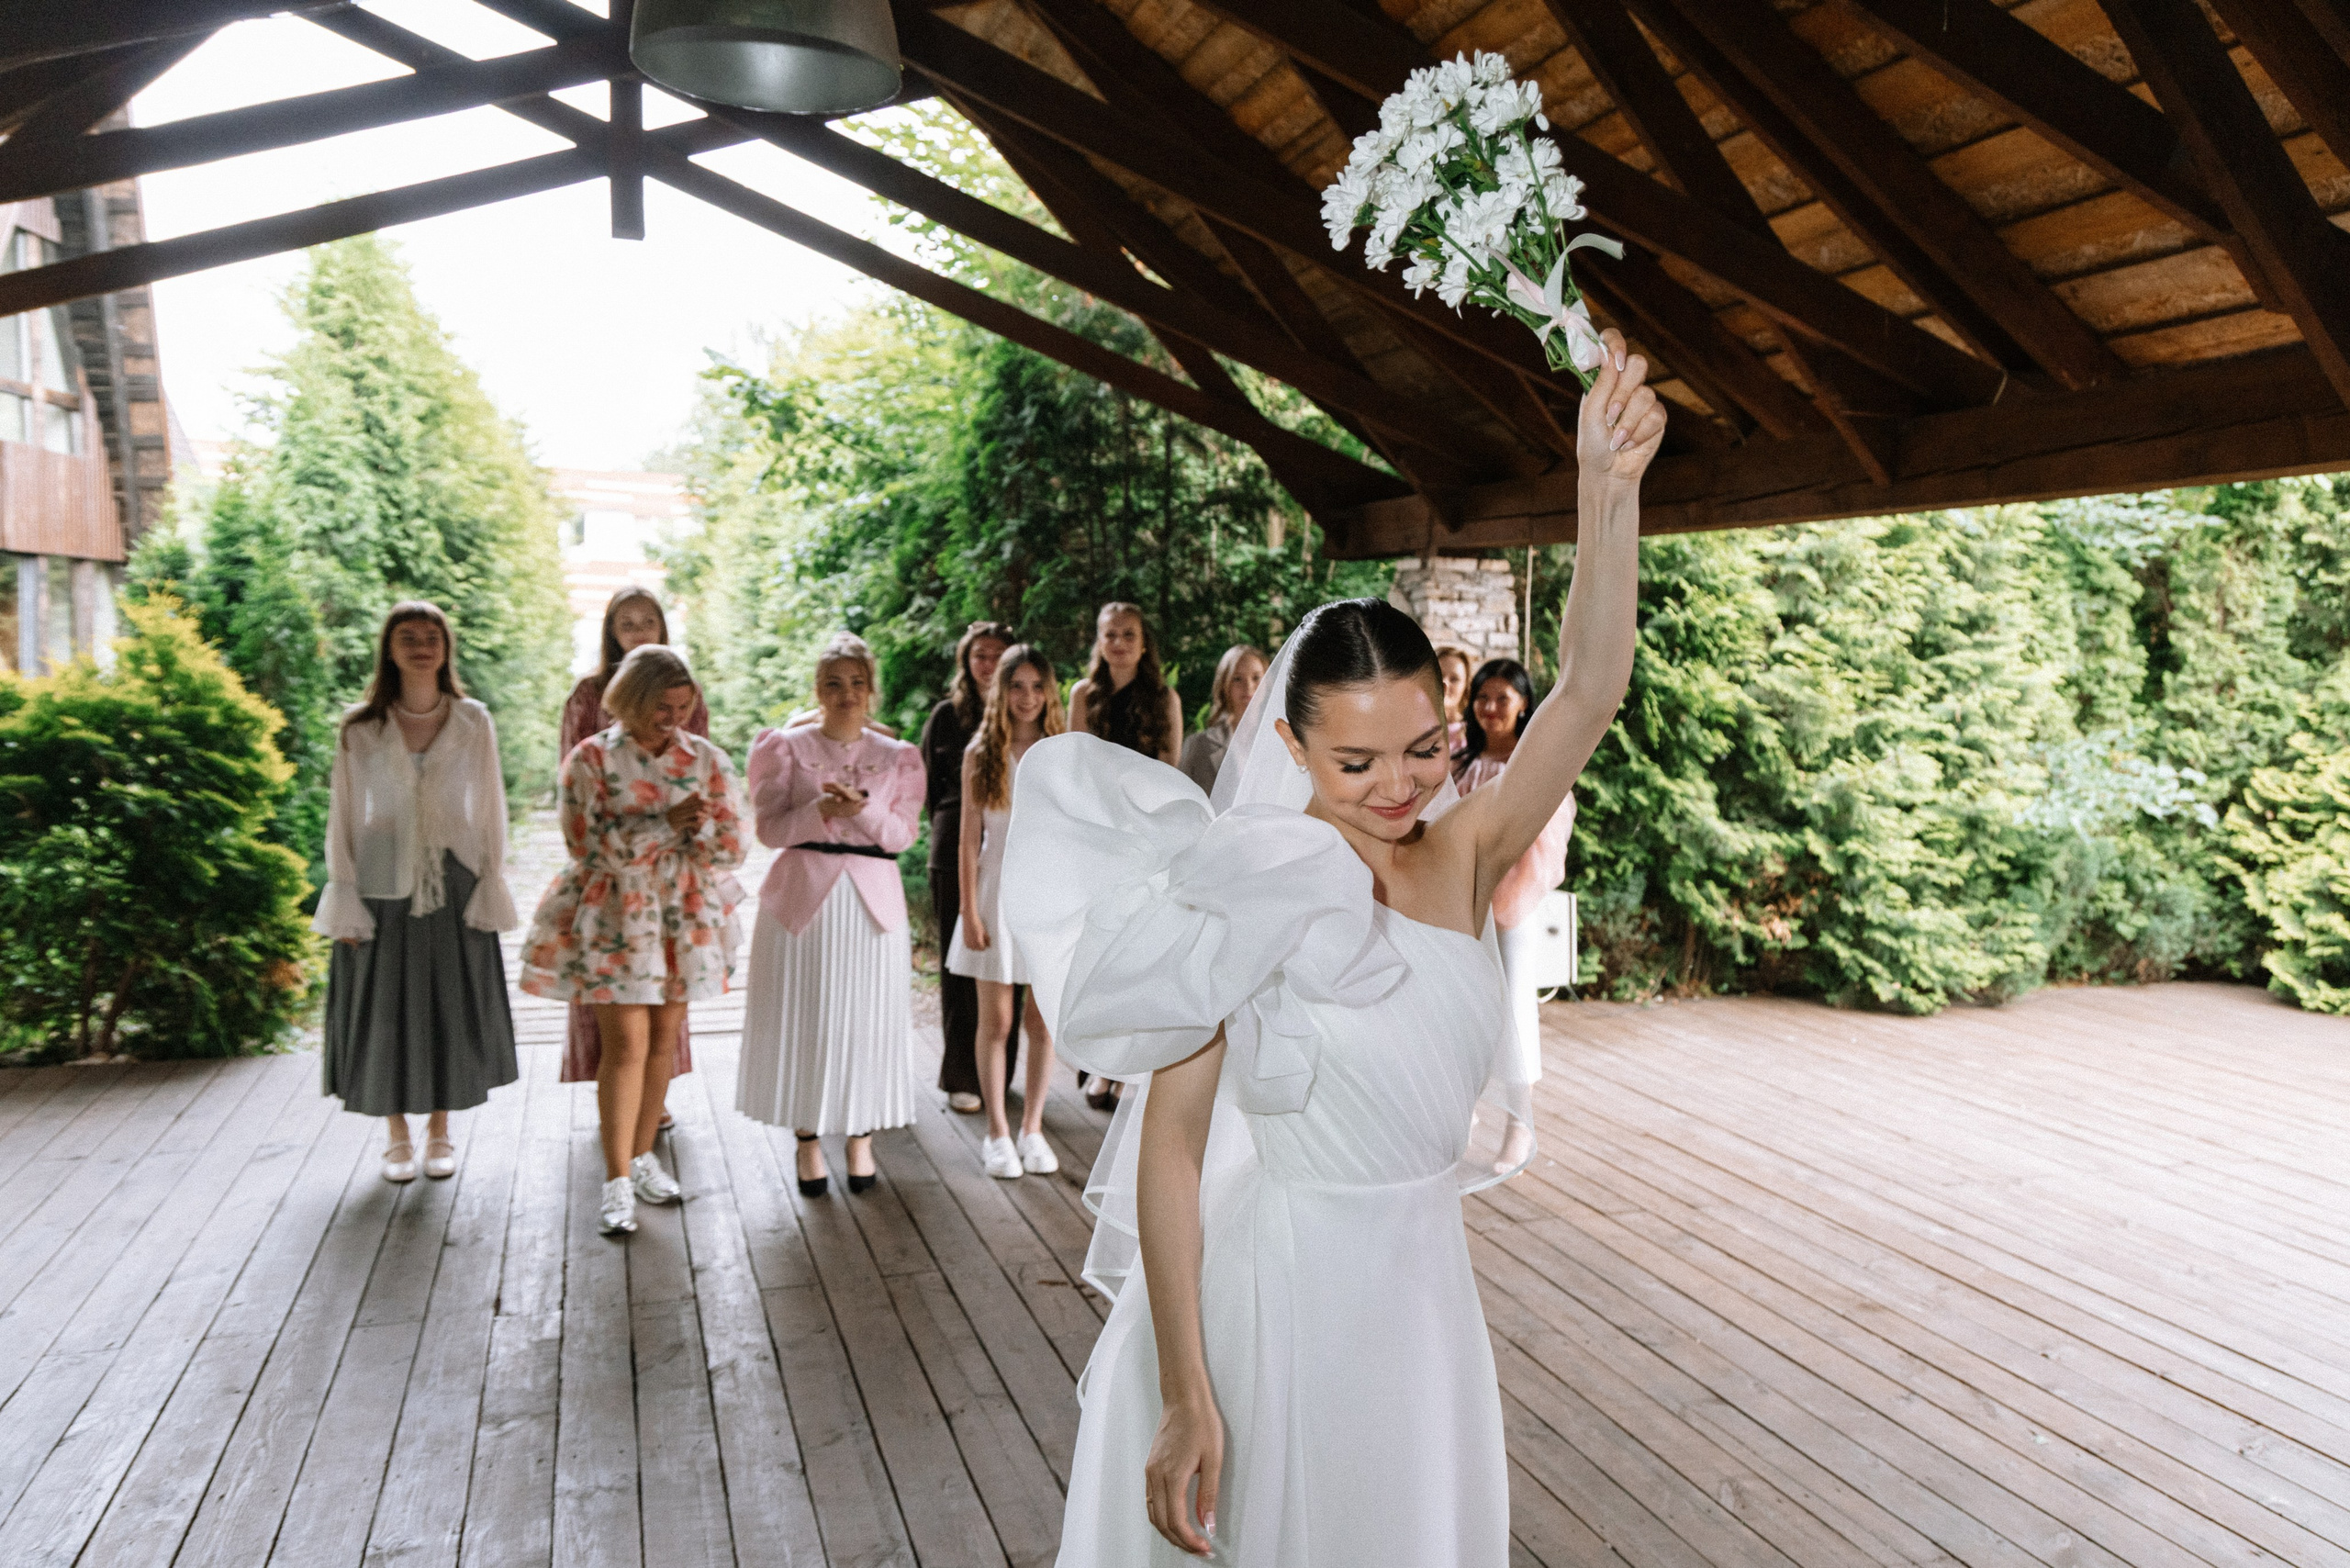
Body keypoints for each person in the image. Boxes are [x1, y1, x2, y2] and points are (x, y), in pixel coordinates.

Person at [1005, 330, 1661, 1566]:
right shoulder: (1238, 887)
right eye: (1355, 762)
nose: (1397, 785)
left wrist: (1606, 489)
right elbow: (1175, 1148)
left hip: (1422, 1297)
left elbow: (1589, 686)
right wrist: (1188, 1391)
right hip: (1281, 1301)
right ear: (1292, 748)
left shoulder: (1464, 853)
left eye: (1421, 749)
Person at [521, 644, 745, 1238]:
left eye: (681, 707)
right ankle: (616, 1180)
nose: (671, 719)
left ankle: (644, 1157)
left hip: (684, 913)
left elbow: (732, 848)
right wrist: (662, 826)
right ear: (631, 701)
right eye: (660, 708)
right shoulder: (590, 761)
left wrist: (698, 834)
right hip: (618, 915)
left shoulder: (708, 760)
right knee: (624, 1044)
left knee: (664, 1041)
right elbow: (587, 849)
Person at [316, 601, 520, 1184]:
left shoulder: (473, 720)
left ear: (446, 648)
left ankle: (440, 1131)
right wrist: (346, 896)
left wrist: (489, 879)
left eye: (432, 637)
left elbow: (490, 809)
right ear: (389, 647)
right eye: (408, 637)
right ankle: (396, 1136)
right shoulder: (361, 726)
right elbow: (344, 814)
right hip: (381, 882)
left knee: (446, 1008)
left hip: (455, 879)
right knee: (387, 1011)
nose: (421, 646)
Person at [734, 633, 925, 1199]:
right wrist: (819, 809)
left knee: (867, 1023)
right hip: (801, 903)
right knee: (806, 1017)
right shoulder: (784, 748)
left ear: (871, 691)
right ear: (817, 689)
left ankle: (861, 1139)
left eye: (857, 683)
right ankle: (807, 1141)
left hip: (872, 906)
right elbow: (769, 831)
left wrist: (860, 814)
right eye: (834, 683)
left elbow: (901, 837)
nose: (846, 694)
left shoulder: (898, 757)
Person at [558, 587, 709, 1124]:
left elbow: (699, 781)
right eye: (628, 623)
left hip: (671, 874)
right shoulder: (588, 695)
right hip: (612, 872)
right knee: (618, 1007)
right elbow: (576, 789)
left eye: (649, 621)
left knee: (665, 999)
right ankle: (616, 1107)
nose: (639, 631)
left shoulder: (685, 693)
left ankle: (652, 1102)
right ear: (611, 631)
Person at [945, 645, 1066, 1180]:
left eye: (1038, 687)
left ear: (1050, 692)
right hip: (995, 892)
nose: (1028, 698)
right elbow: (969, 839)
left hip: (1051, 895)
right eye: (1017, 687)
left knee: (1043, 1019)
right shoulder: (982, 752)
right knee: (996, 1020)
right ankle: (996, 1132)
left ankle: (1032, 1128)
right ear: (1001, 692)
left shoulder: (1060, 750)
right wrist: (970, 911)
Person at [1453, 656, 1575, 1169]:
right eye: (1483, 697)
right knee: (1459, 1011)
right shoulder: (1460, 759)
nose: (1490, 708)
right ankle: (1457, 1121)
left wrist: (1505, 895)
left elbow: (1547, 837)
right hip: (1459, 896)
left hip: (1512, 902)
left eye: (1502, 698)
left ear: (1524, 703)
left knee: (1515, 1009)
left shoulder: (1534, 763)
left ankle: (1518, 1127)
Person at [1067, 602, 1182, 1110]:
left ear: (1143, 642)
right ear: (1098, 640)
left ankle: (1127, 1068)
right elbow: (1073, 761)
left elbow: (1172, 770)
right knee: (1095, 952)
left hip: (1144, 838)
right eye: (1109, 634)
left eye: (1128, 634)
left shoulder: (1164, 698)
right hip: (1095, 838)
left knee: (1136, 951)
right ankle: (1097, 1065)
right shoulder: (1082, 695)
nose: (1118, 642)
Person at [919, 622, 1023, 1114]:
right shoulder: (946, 717)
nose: (989, 663)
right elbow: (931, 787)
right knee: (962, 965)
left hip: (1011, 848)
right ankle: (961, 1074)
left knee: (1011, 964)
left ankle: (999, 1075)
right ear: (967, 661)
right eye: (980, 654)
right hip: (956, 844)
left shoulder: (1024, 713)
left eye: (999, 654)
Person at [1177, 643, 1267, 795]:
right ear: (1224, 684)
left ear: (1268, 683)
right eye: (1237, 679)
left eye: (1256, 678)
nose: (1248, 687)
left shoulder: (1282, 743)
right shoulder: (1198, 745)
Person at [1434, 641, 1476, 755]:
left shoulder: (1474, 733)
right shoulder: (1409, 729)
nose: (1445, 683)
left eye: (1454, 679)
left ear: (1466, 687)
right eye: (1439, 675)